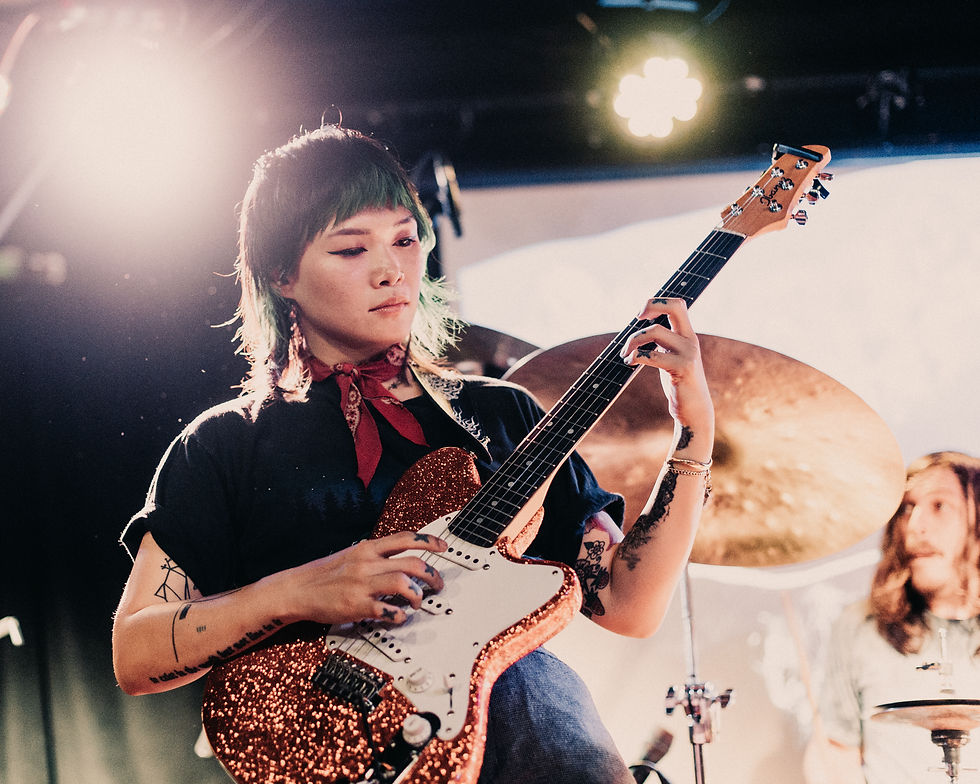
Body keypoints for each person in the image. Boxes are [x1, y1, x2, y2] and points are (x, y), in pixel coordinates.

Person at [111, 124, 715, 784]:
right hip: (349, 753)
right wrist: (298, 592)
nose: (390, 268)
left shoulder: (499, 411)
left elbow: (628, 604)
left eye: (404, 239)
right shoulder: (224, 442)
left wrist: (696, 432)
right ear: (282, 274)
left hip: (545, 748)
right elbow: (136, 651)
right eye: (351, 248)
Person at [805, 450, 980, 784]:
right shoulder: (860, 626)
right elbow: (836, 750)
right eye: (907, 508)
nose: (915, 526)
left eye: (939, 505)